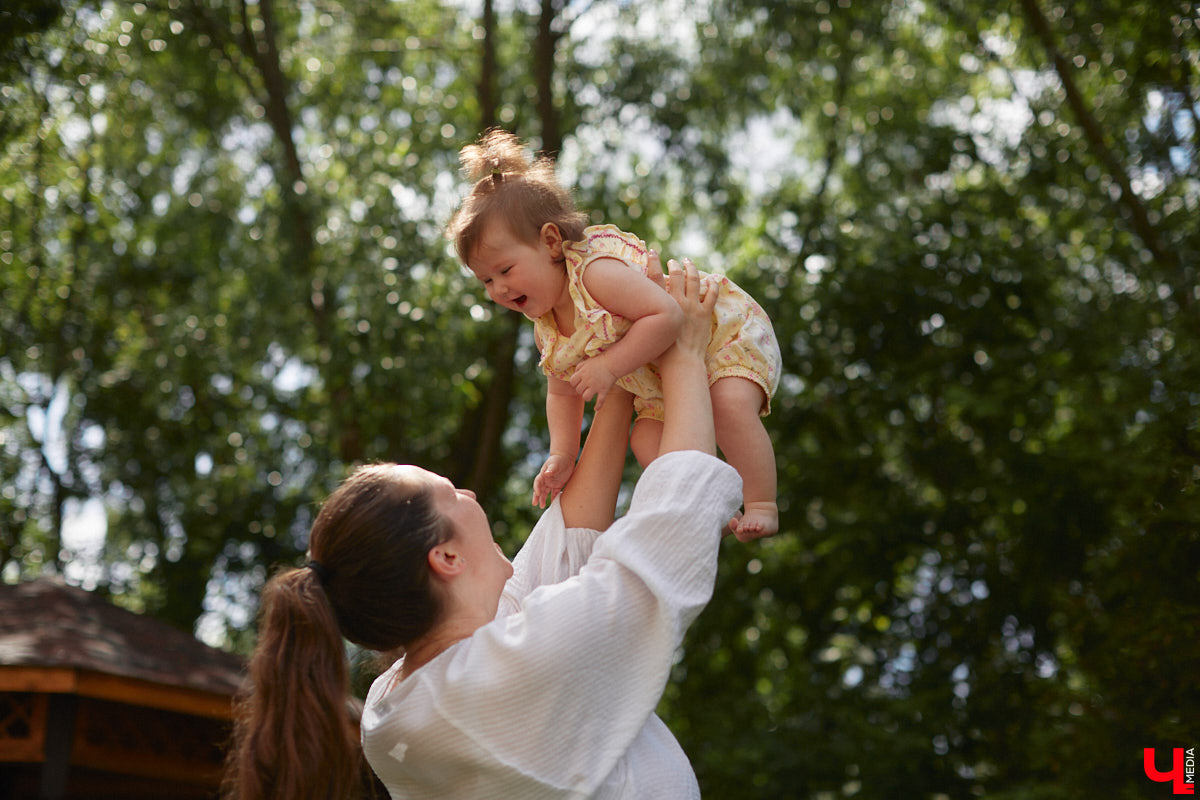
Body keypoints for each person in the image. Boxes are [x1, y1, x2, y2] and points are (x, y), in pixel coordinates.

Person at [222, 259, 744, 800]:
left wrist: (623, 369)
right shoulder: (503, 674)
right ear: (445, 558)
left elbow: (569, 536)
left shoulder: (393, 708)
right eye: (451, 494)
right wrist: (681, 354)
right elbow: (669, 530)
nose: (469, 495)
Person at [447, 128, 782, 539]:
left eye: (505, 270)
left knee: (729, 406)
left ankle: (763, 502)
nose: (498, 288)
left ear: (551, 242)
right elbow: (562, 393)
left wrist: (608, 365)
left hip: (719, 335)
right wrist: (563, 453)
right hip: (661, 379)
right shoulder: (549, 332)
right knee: (645, 439)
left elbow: (667, 315)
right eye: (485, 281)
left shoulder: (594, 273)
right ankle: (713, 511)